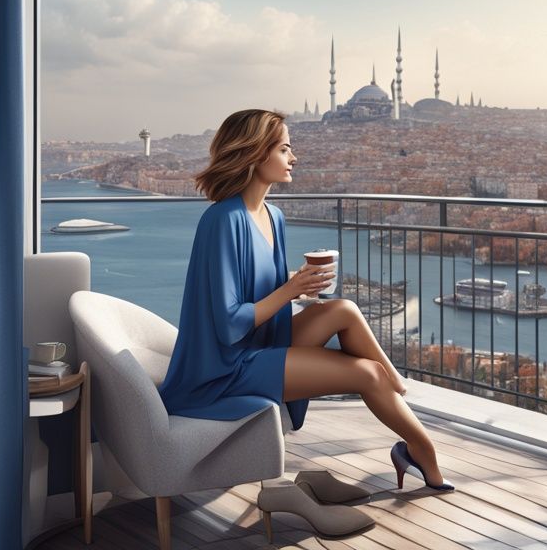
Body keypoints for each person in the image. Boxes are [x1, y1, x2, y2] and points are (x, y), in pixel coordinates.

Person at [158, 109, 453, 490]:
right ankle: (421, 449)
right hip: (225, 368)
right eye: (284, 149)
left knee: (344, 309)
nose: (293, 158)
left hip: (261, 341)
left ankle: (393, 383)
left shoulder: (273, 216)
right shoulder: (222, 221)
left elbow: (267, 293)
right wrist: (290, 290)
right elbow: (228, 324)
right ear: (255, 154)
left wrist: (298, 282)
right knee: (366, 373)